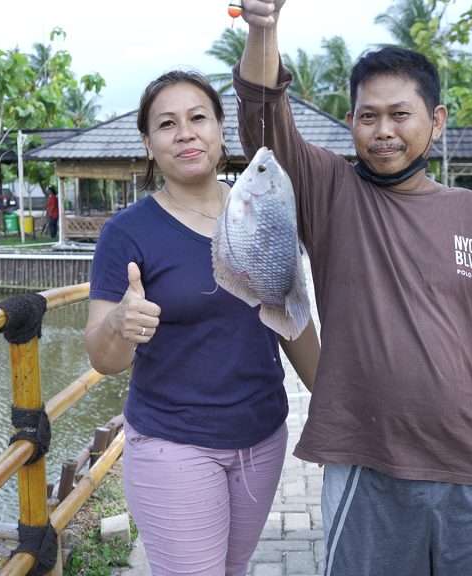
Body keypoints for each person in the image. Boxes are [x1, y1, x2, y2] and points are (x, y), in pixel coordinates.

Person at [235, 2, 472, 574]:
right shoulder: (330, 192)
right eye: (367, 116)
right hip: (366, 458)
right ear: (351, 122)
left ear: (438, 120)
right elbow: (261, 118)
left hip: (470, 458)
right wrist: (263, 28)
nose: (383, 132)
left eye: (400, 115)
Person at [83, 70, 320, 576]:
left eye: (198, 118)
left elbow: (289, 314)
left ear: (219, 131)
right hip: (174, 442)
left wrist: (336, 406)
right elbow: (104, 359)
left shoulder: (262, 206)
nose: (185, 133)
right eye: (167, 124)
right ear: (149, 144)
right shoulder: (126, 234)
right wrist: (121, 323)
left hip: (262, 435)